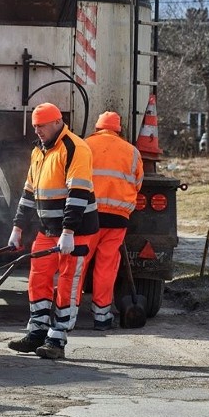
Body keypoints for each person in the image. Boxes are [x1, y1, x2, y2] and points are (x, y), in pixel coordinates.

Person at [7, 103, 99, 359]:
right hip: (48, 230)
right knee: (38, 277)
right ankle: (36, 333)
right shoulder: (39, 152)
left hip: (76, 231)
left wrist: (68, 231)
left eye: (42, 126)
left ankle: (57, 341)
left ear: (57, 122)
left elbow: (78, 193)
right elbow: (28, 194)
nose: (37, 131)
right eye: (35, 126)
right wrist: (17, 227)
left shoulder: (75, 148)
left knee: (69, 283)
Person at [77, 111, 144, 330]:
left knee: (78, 264)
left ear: (97, 129)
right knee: (106, 266)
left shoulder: (84, 146)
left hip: (87, 216)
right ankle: (102, 315)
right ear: (119, 130)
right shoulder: (132, 152)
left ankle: (66, 312)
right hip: (117, 219)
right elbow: (138, 183)